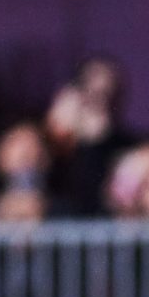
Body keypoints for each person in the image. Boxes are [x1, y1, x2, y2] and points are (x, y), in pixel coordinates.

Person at [47, 54, 136, 215]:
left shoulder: (129, 148)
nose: (100, 103)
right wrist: (56, 134)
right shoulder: (51, 149)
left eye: (107, 94)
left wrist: (96, 142)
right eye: (93, 93)